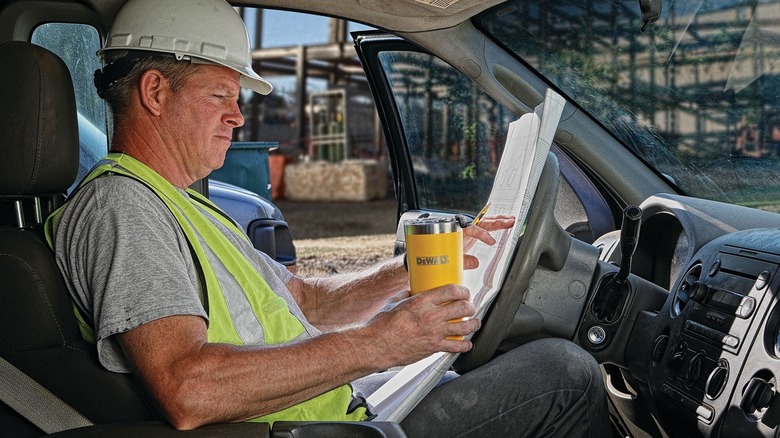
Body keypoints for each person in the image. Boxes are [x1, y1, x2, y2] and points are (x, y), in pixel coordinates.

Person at [47, 0, 610, 436]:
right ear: (154, 92)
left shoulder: (182, 205)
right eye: (221, 95)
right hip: (306, 430)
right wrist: (379, 343)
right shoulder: (121, 208)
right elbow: (188, 388)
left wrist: (410, 271)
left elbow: (305, 301)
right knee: (564, 373)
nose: (238, 116)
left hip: (331, 411)